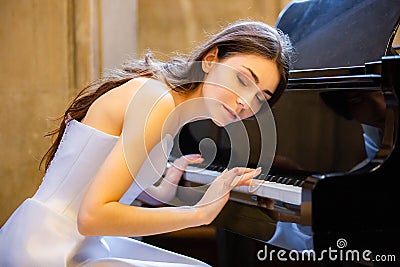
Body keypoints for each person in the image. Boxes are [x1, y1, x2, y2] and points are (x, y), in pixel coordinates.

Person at [0, 20, 293, 266]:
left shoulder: (169, 101)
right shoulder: (157, 102)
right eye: (243, 79)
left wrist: (162, 189)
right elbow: (91, 217)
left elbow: (101, 183)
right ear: (211, 59)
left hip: (75, 240)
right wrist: (198, 213)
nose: (245, 102)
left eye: (261, 97)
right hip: (48, 246)